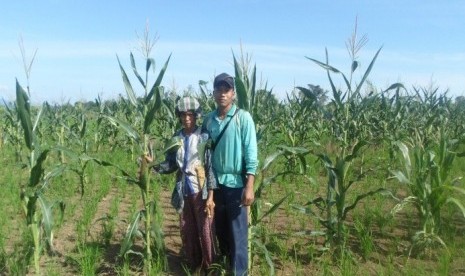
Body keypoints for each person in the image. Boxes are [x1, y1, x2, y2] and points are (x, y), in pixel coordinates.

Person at [147, 96, 217, 272]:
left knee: (206, 230)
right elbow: (170, 163)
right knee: (187, 230)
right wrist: (154, 165)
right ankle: (194, 264)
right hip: (183, 189)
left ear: (196, 116)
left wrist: (210, 195)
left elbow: (210, 168)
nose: (186, 119)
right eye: (183, 115)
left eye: (190, 115)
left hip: (200, 189)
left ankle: (210, 267)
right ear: (179, 116)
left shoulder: (203, 137)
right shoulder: (176, 138)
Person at [202, 72, 258, 275]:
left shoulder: (243, 118)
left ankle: (240, 272)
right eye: (218, 89)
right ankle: (226, 266)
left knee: (238, 235)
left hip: (236, 185)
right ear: (214, 93)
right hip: (215, 185)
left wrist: (249, 186)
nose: (222, 94)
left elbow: (251, 155)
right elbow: (203, 152)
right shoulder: (208, 120)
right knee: (222, 231)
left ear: (233, 94)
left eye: (227, 90)